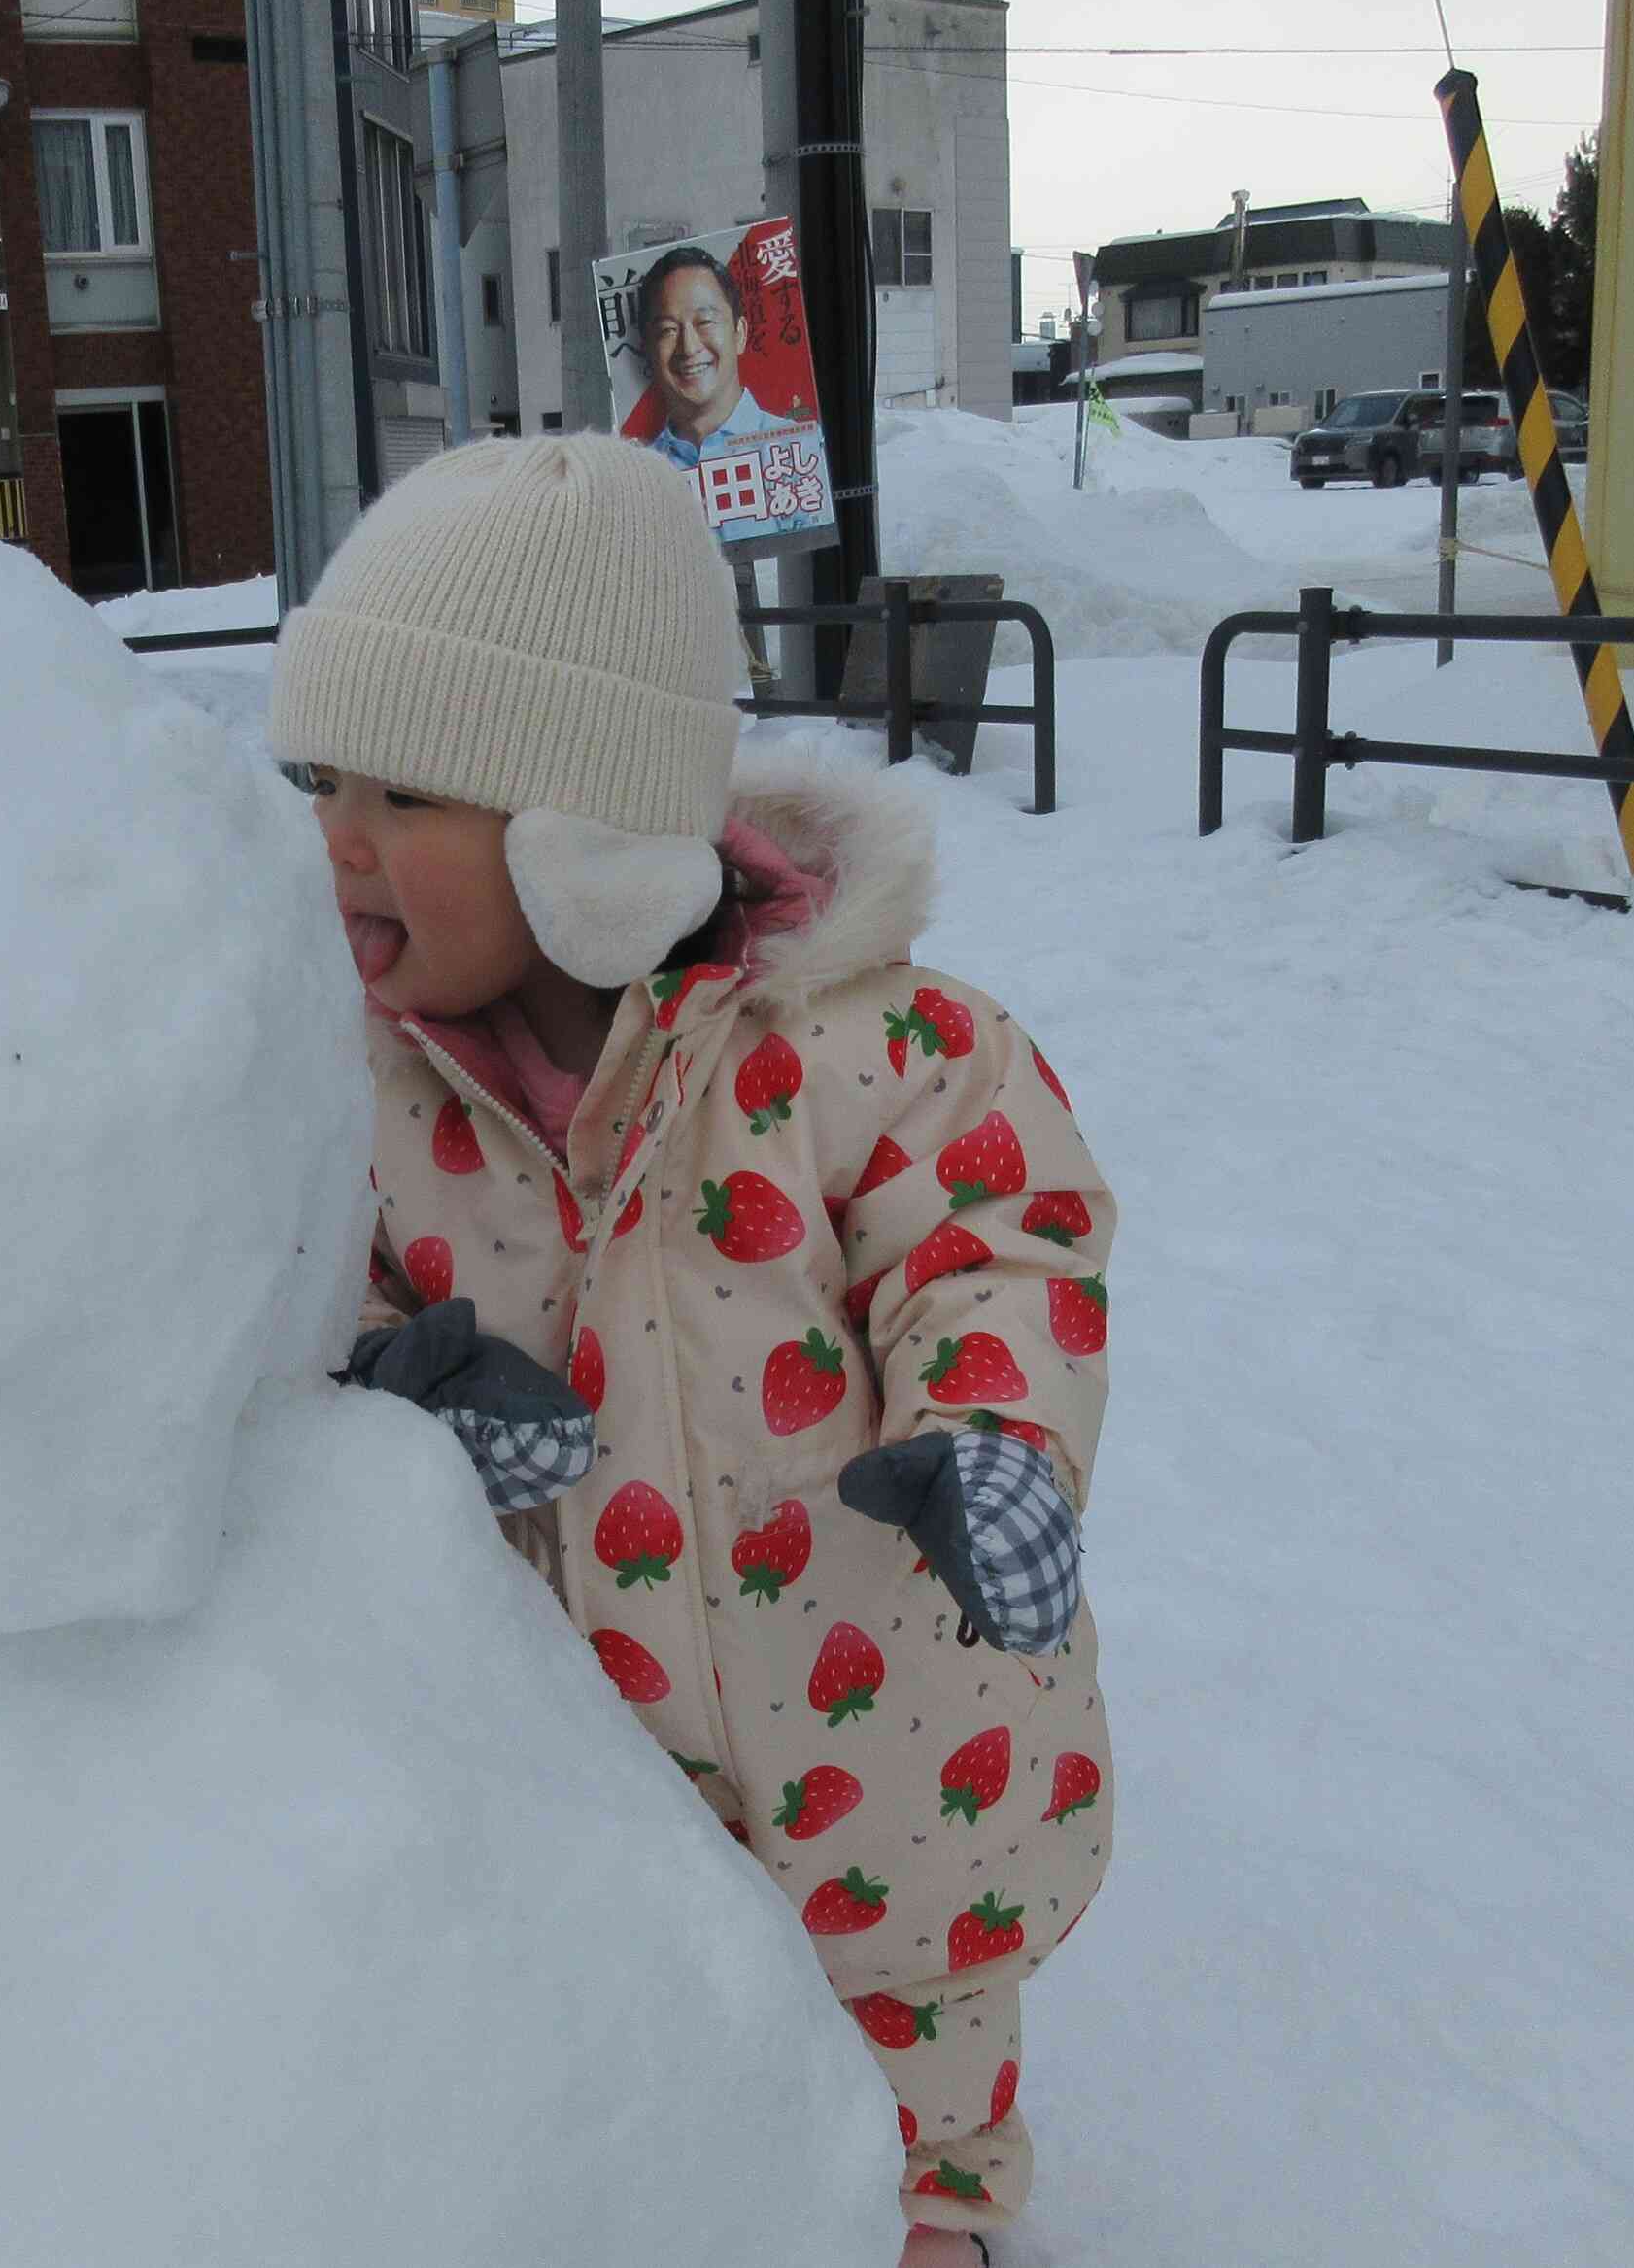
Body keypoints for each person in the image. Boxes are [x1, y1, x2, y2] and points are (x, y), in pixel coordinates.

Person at [269, 435, 1116, 2261]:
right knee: (629, 2011)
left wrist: (995, 1446)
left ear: (582, 837)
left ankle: (934, 2212)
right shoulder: (353, 1093)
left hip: (882, 1691)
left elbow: (998, 1256)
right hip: (577, 1730)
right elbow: (305, 1308)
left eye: (403, 788)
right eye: (316, 775)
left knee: (911, 1989)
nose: (335, 834)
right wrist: (395, 1400)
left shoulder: (866, 1053)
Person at [633, 247, 798, 468]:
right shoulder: (640, 474)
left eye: (705, 322)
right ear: (648, 351)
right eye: (667, 330)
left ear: (740, 333)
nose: (689, 348)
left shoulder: (800, 448)